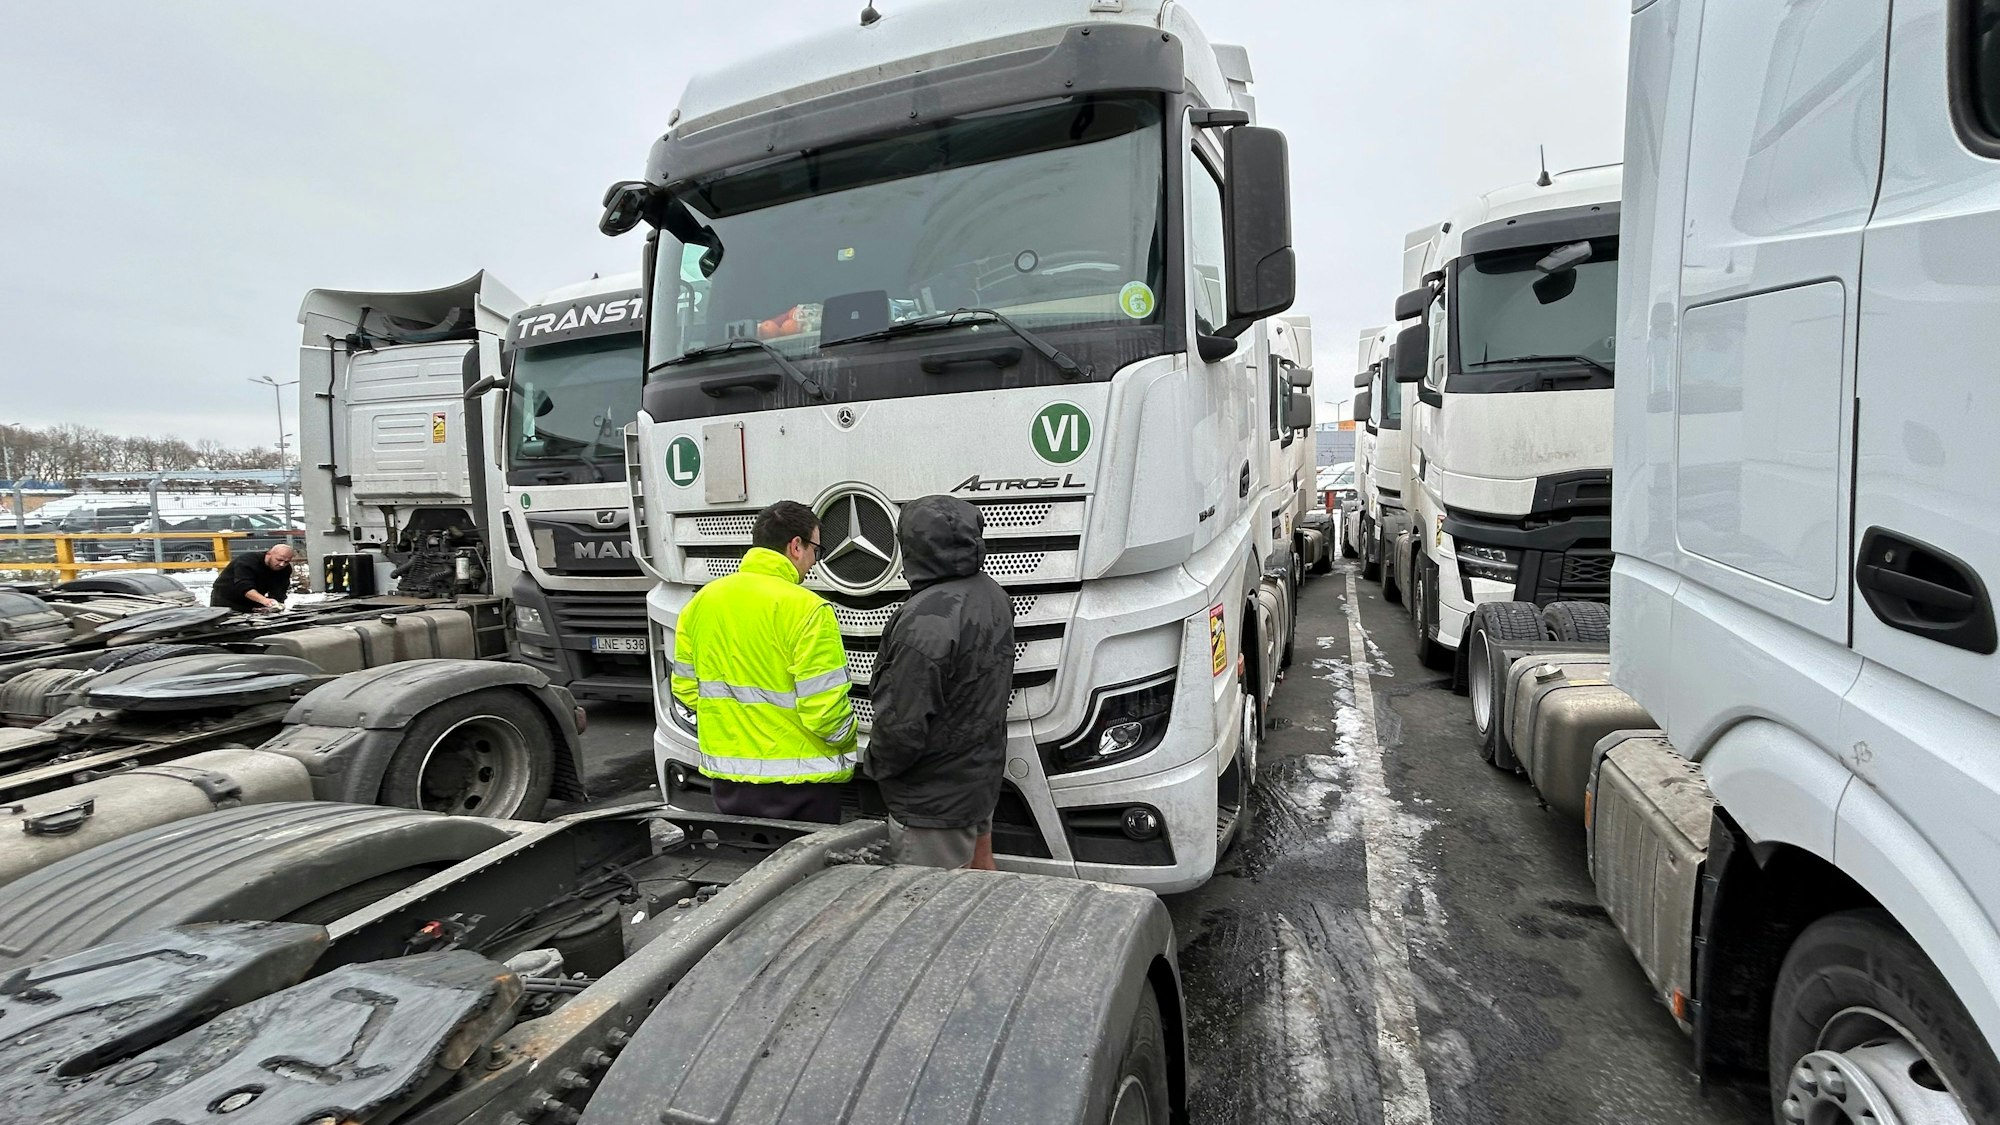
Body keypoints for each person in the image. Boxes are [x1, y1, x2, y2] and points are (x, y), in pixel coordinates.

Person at [671, 500, 857, 824]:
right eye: (816, 550)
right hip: (802, 785)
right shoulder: (809, 609)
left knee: (745, 856)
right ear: (796, 546)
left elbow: (686, 691)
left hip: (728, 782)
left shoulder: (701, 603)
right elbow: (825, 712)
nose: (814, 562)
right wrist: (849, 740)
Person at [867, 495, 1014, 870]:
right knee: (981, 879)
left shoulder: (925, 620)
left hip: (932, 800)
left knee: (927, 900)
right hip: (978, 778)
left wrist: (876, 766)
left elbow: (902, 725)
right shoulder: (992, 593)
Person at [209, 544, 297, 613]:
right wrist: (266, 601)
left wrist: (276, 605)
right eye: (279, 560)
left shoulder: (285, 569)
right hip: (225, 599)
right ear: (269, 554)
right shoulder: (247, 561)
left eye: (286, 562)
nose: (282, 564)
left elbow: (279, 591)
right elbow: (244, 587)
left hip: (253, 603)